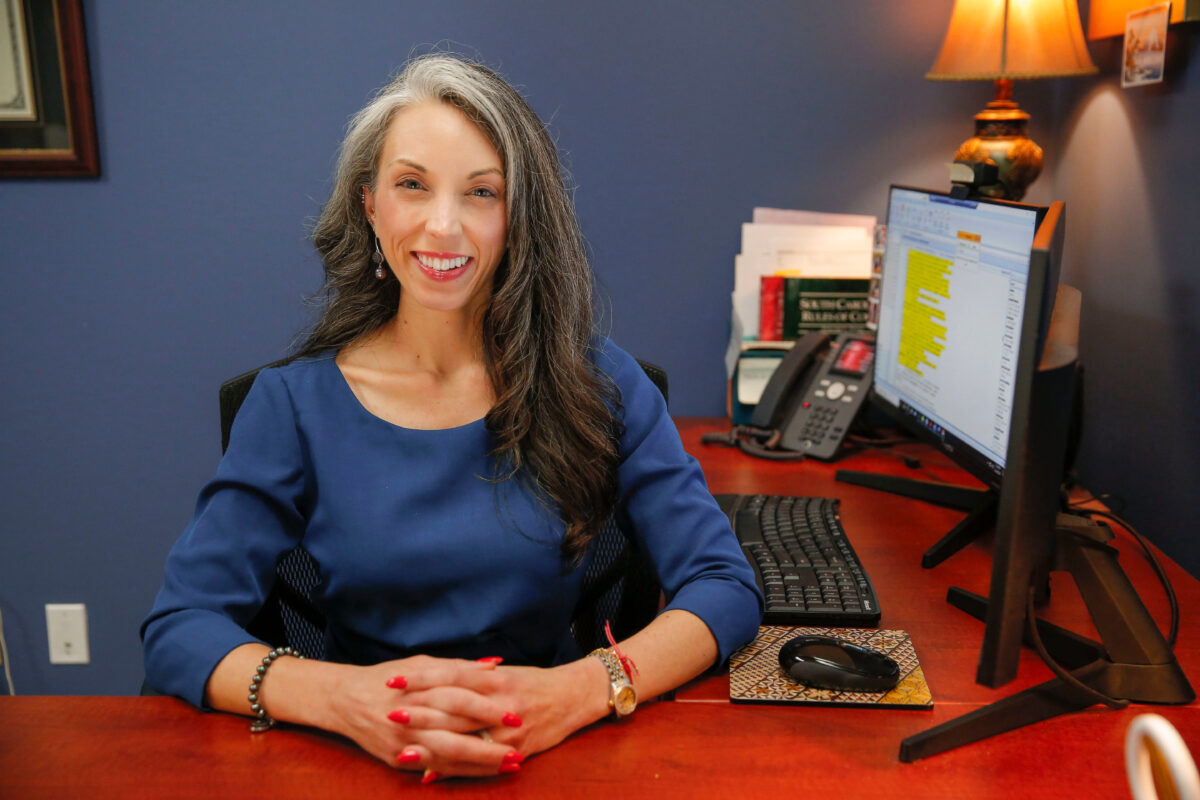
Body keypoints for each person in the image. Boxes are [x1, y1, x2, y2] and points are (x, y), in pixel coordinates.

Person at [141, 53, 762, 783]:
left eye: (481, 193)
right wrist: (345, 700)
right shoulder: (291, 407)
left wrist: (581, 690)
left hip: (554, 752)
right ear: (371, 206)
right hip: (357, 760)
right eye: (413, 185)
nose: (444, 226)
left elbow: (725, 585)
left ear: (517, 217)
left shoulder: (602, 381)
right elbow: (181, 629)